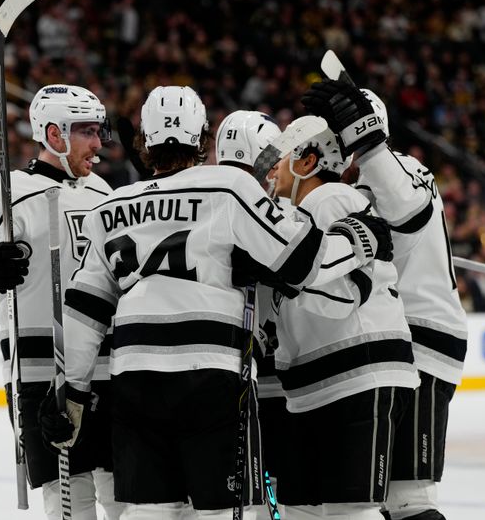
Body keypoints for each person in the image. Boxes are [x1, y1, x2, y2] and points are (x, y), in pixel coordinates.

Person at [40, 86, 394, 519]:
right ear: (202, 138)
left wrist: (70, 390)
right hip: (209, 375)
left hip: (134, 377)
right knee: (221, 511)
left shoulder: (110, 205)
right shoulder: (229, 187)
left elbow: (85, 307)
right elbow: (302, 261)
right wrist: (360, 239)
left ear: (144, 141)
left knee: (148, 513)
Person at [0, 84, 124, 520]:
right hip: (41, 375)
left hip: (108, 369)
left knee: (127, 502)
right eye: (87, 132)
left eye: (99, 131)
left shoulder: (104, 193)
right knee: (71, 507)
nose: (98, 144)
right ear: (54, 134)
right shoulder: (3, 193)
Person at [303, 82, 468, 520]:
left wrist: (371, 146)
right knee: (380, 499)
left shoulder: (403, 169)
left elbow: (409, 213)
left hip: (425, 342)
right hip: (395, 347)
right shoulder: (357, 187)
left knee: (409, 498)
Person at [266, 114, 420, 520]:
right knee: (301, 509)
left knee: (350, 511)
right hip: (318, 385)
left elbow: (337, 293)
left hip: (358, 375)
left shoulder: (330, 199)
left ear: (306, 162)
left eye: (280, 159)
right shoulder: (301, 212)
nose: (272, 168)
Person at [215, 110, 286, 520]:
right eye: (271, 158)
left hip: (257, 368)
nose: (276, 169)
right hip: (243, 369)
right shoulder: (249, 205)